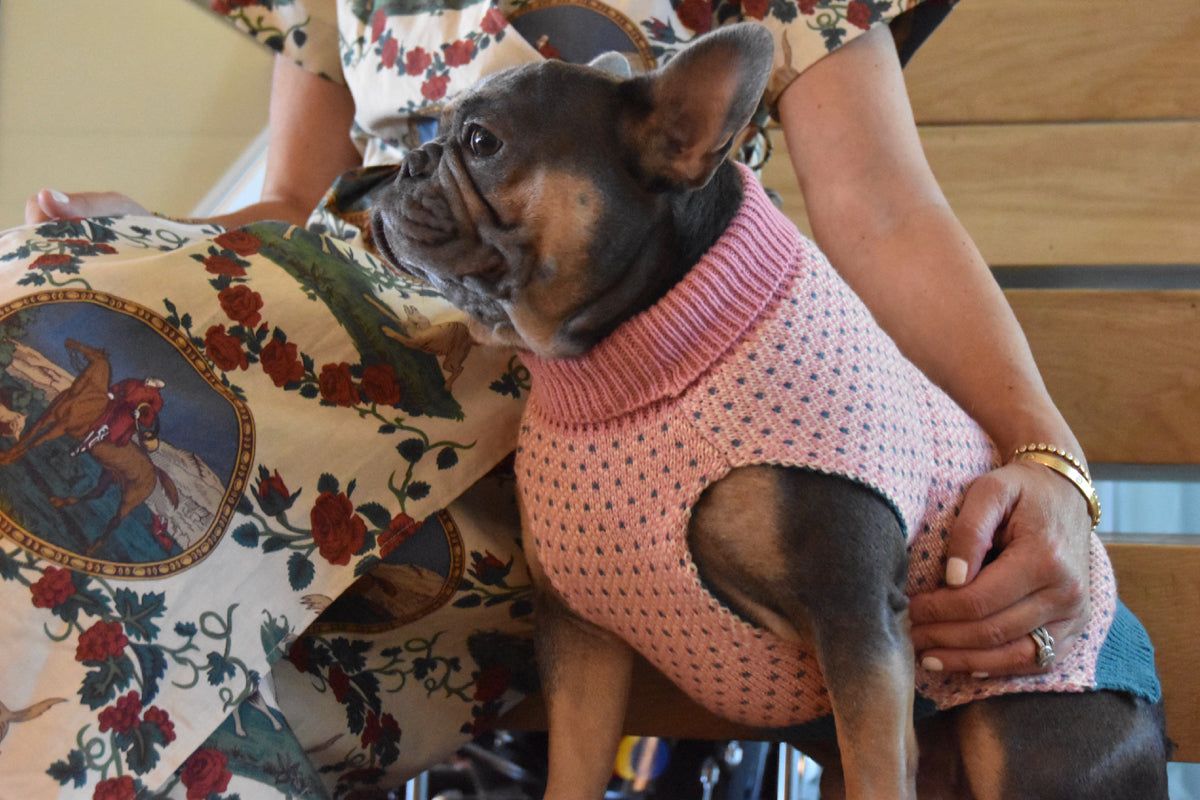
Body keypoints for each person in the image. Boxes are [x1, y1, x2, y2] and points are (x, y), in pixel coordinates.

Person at [26, 0, 1092, 685]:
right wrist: (141, 244)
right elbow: (298, 201)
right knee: (45, 318)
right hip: (336, 369)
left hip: (608, 425)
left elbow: (881, 210)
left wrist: (1048, 461)